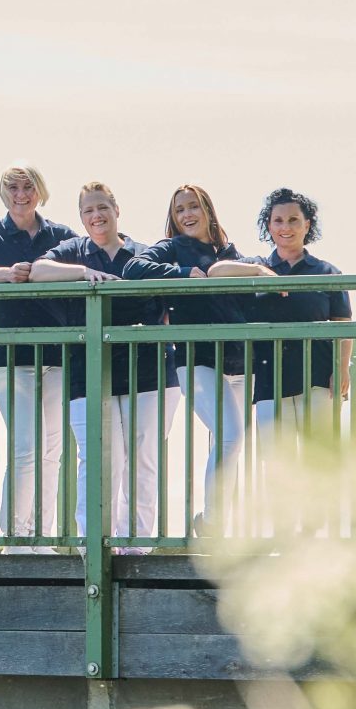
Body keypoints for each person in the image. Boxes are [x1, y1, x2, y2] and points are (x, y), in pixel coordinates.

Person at [31, 182, 173, 542]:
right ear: (81, 217)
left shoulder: (142, 254)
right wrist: (82, 273)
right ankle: (94, 542)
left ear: (116, 209)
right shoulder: (72, 252)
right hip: (89, 372)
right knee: (97, 459)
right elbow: (37, 271)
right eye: (88, 211)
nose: (96, 216)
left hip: (149, 372)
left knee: (144, 459)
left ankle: (136, 542)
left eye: (102, 208)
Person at [123, 185, 270, 526]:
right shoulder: (173, 249)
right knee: (230, 435)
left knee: (232, 442)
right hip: (198, 358)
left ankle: (216, 518)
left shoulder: (230, 252)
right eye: (180, 210)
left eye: (194, 207)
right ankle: (213, 524)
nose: (187, 215)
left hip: (239, 361)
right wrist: (180, 275)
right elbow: (133, 268)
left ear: (208, 211)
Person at [0, 163, 77, 544]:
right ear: (4, 193)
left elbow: (83, 264)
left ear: (39, 191)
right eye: (13, 187)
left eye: (27, 187)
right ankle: (15, 535)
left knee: (52, 451)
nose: (20, 194)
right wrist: (7, 274)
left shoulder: (59, 234)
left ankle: (41, 536)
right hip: (13, 356)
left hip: (60, 355)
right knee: (26, 447)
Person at [247, 186, 353, 436]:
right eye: (278, 221)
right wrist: (260, 272)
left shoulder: (327, 272)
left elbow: (344, 323)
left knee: (320, 460)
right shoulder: (254, 267)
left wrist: (342, 368)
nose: (286, 227)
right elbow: (216, 271)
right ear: (269, 227)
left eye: (294, 220)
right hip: (269, 379)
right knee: (276, 463)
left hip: (318, 377)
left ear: (307, 225)